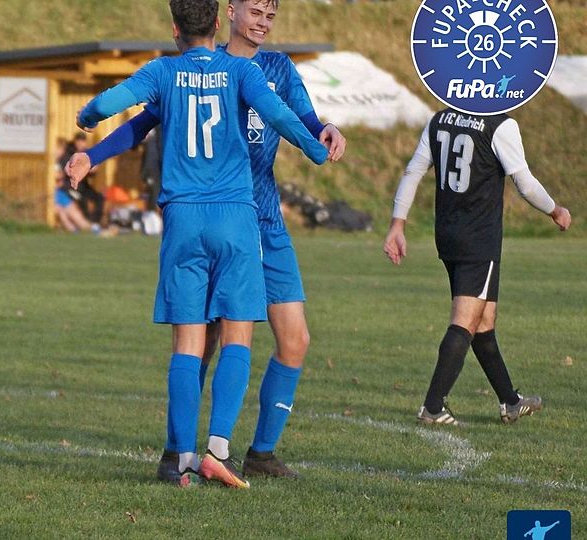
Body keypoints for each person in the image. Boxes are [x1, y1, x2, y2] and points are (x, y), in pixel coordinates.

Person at [70, 0, 346, 482]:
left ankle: (259, 453)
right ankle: (182, 447)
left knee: (294, 339)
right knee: (211, 338)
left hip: (260, 221)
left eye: (270, 15)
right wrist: (94, 155)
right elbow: (142, 124)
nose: (262, 21)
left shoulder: (274, 67)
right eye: (255, 11)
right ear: (229, 13)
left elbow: (301, 114)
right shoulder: (222, 68)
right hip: (235, 216)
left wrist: (324, 128)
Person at [384, 107, 571, 426]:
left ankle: (510, 402)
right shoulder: (501, 123)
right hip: (478, 239)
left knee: (484, 319)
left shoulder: (440, 118)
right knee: (465, 321)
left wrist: (397, 224)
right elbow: (524, 183)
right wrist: (554, 210)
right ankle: (432, 407)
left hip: (447, 234)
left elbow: (413, 171)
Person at [60, 132, 104, 225]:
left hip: (83, 186)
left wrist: (92, 169)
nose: (81, 144)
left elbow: (92, 171)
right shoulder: (68, 154)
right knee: (82, 200)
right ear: (75, 142)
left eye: (83, 141)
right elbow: (67, 171)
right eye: (79, 141)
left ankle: (96, 222)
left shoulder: (86, 154)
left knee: (99, 197)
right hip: (70, 187)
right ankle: (87, 224)